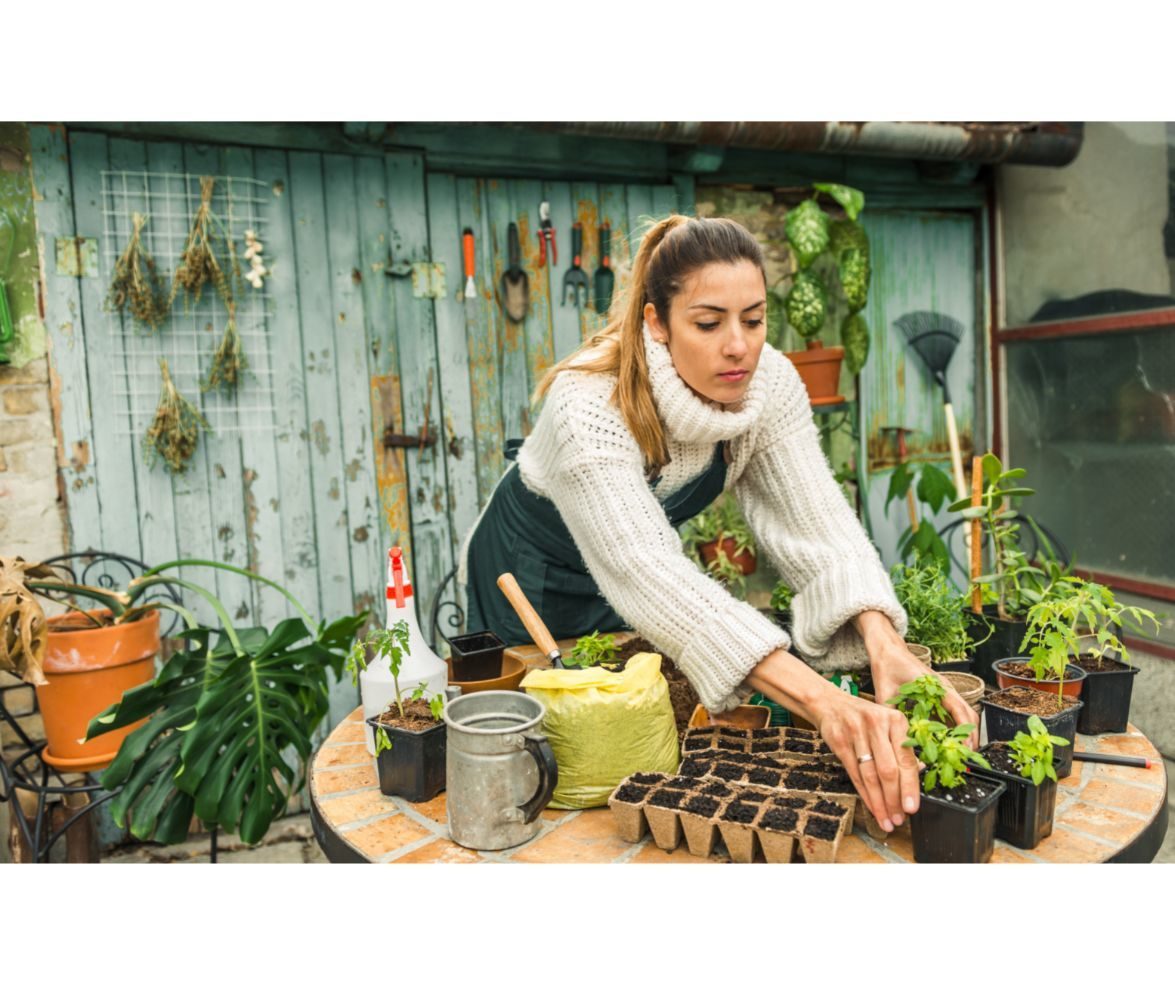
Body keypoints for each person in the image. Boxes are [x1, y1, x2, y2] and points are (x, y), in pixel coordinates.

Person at [457, 214, 978, 833]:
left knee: (635, 710)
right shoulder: (588, 407)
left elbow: (820, 525)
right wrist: (825, 703)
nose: (739, 346)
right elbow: (644, 569)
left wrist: (884, 642)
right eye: (708, 323)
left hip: (634, 578)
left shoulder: (768, 385)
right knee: (555, 749)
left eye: (754, 320)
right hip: (531, 577)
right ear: (656, 322)